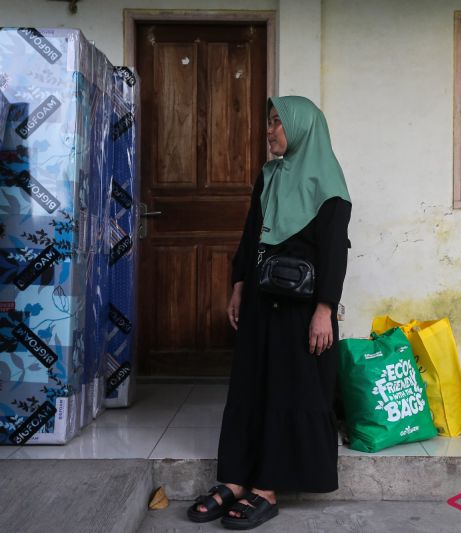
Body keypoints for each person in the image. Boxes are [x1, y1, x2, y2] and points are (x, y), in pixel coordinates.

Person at [187, 95, 352, 529]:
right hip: (261, 303)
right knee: (249, 388)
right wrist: (239, 285)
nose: (270, 130)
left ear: (300, 128)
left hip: (300, 312)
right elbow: (249, 237)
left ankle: (267, 487)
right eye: (270, 122)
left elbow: (334, 255)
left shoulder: (329, 184)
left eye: (278, 123)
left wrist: (324, 311)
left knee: (286, 392)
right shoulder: (269, 176)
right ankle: (238, 478)